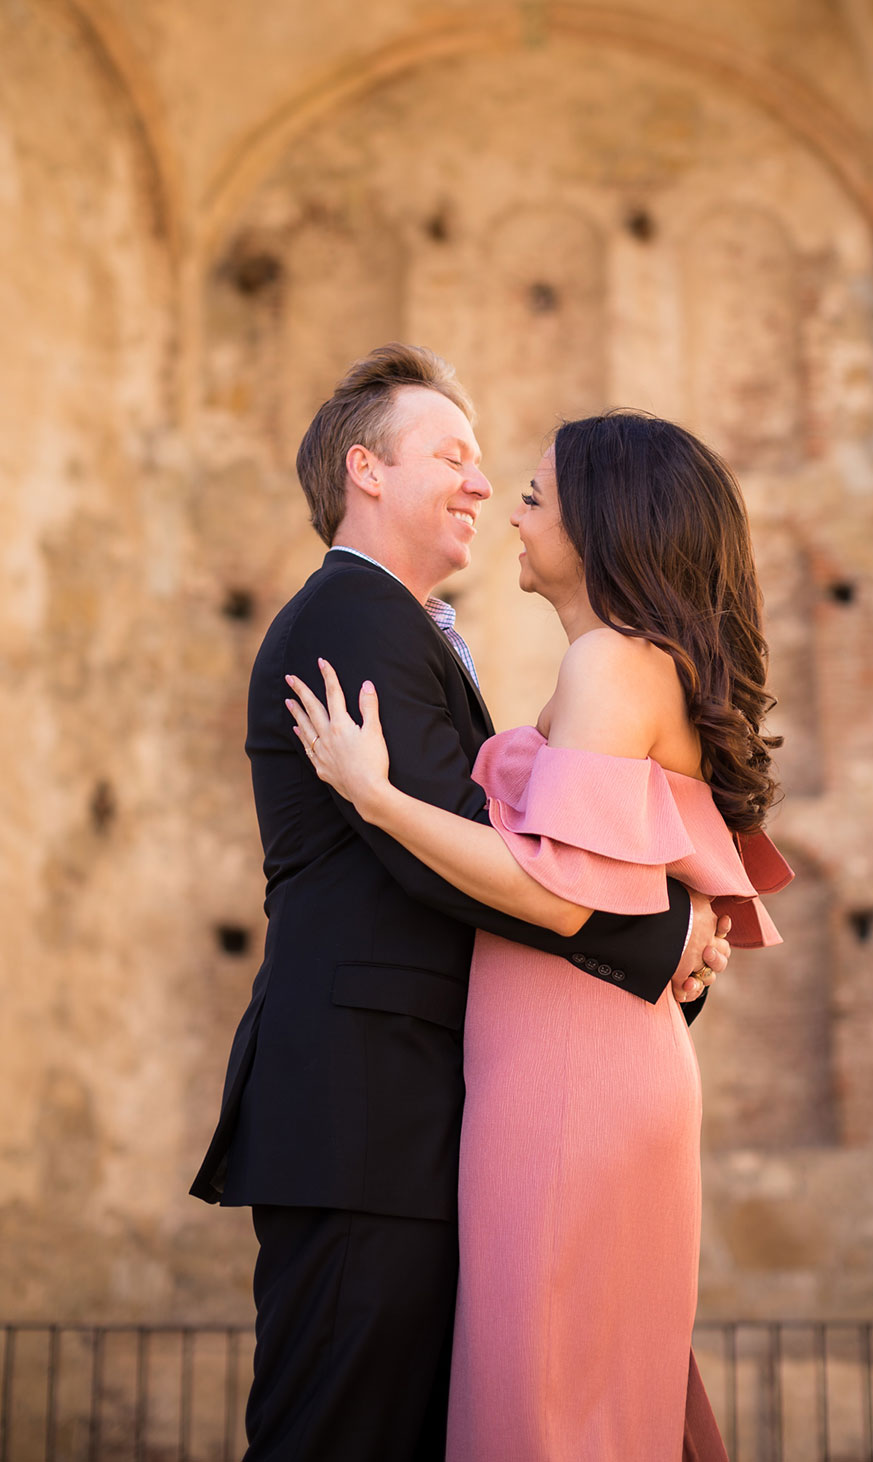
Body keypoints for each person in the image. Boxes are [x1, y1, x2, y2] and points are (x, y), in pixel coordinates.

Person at [190, 346, 728, 1461]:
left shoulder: (418, 628)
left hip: (415, 1110)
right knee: (331, 1431)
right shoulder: (353, 614)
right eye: (454, 455)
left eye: (496, 467)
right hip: (364, 1107)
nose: (483, 484)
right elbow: (455, 850)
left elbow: (522, 846)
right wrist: (663, 935)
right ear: (365, 471)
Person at [288, 407, 791, 1462]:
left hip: (571, 1078)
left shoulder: (611, 661)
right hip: (577, 1061)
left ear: (603, 525)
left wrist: (375, 796)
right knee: (583, 1395)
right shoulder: (625, 662)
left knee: (546, 1407)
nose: (508, 512)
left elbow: (558, 894)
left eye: (533, 497)